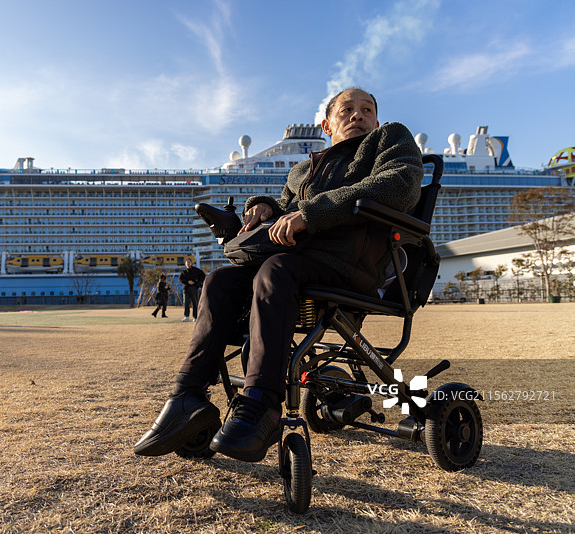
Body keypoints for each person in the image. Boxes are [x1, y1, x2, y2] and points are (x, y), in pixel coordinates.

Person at [134, 88, 423, 463]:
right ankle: (188, 396)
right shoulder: (303, 169)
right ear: (327, 125)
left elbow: (400, 185)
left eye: (366, 110)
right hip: (295, 266)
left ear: (377, 121)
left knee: (275, 270)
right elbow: (287, 207)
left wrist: (312, 214)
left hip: (350, 265)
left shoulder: (389, 138)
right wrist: (263, 207)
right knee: (220, 281)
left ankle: (261, 404)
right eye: (347, 110)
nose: (357, 116)